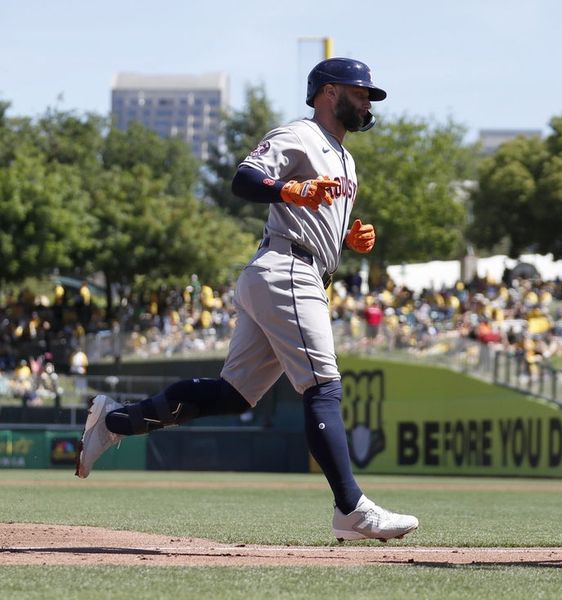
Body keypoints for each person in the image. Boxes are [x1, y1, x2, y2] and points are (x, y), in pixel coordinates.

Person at [74, 57, 418, 543]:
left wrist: (348, 238)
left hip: (296, 268)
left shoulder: (346, 159)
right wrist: (289, 189)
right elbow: (244, 178)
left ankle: (113, 420)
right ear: (327, 93)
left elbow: (315, 218)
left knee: (232, 395)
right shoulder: (298, 135)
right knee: (323, 387)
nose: (367, 101)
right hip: (287, 271)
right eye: (359, 92)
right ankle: (351, 509)